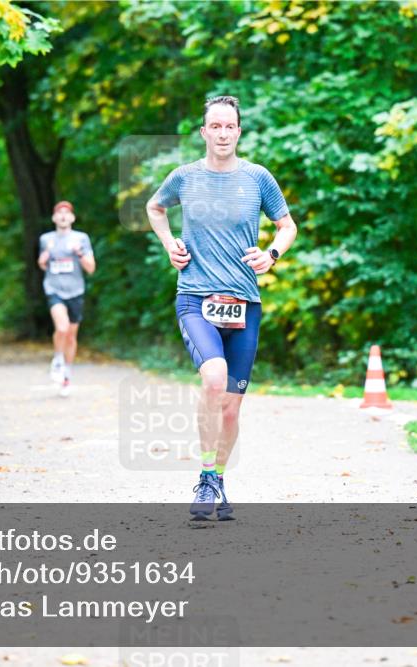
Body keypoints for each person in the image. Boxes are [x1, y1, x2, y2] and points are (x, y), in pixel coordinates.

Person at [146, 95, 297, 520]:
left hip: (245, 303)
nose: (223, 133)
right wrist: (169, 245)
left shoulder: (257, 178)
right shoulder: (184, 177)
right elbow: (154, 208)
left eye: (230, 126)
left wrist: (272, 255)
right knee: (213, 380)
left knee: (231, 407)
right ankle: (205, 475)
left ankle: (219, 480)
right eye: (216, 126)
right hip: (195, 297)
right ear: (204, 132)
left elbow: (287, 226)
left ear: (239, 131)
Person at [38, 201, 95, 397]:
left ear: (72, 218)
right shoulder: (46, 239)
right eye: (59, 213)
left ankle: (67, 374)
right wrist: (45, 256)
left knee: (71, 335)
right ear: (54, 218)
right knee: (61, 328)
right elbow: (42, 264)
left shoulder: (81, 238)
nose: (63, 216)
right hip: (54, 289)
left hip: (75, 291)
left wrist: (78, 251)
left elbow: (91, 268)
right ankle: (57, 360)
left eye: (67, 213)